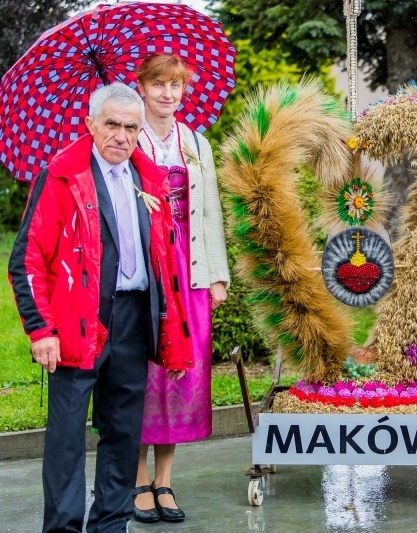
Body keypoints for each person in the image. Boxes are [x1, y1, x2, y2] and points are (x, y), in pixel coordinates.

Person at [7, 82, 192, 533]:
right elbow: (25, 259)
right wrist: (40, 329)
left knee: (124, 432)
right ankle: (65, 528)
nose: (122, 136)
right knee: (67, 438)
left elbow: (165, 256)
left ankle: (110, 523)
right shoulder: (62, 175)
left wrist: (173, 329)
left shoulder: (147, 177)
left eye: (131, 127)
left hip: (133, 318)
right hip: (76, 322)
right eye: (111, 124)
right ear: (90, 125)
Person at [131, 53, 230, 524]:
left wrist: (216, 275)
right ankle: (136, 481)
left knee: (178, 376)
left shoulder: (195, 142)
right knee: (141, 374)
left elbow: (209, 209)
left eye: (176, 86)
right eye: (158, 85)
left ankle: (165, 480)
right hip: (145, 273)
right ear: (141, 87)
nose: (168, 94)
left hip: (188, 275)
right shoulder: (128, 136)